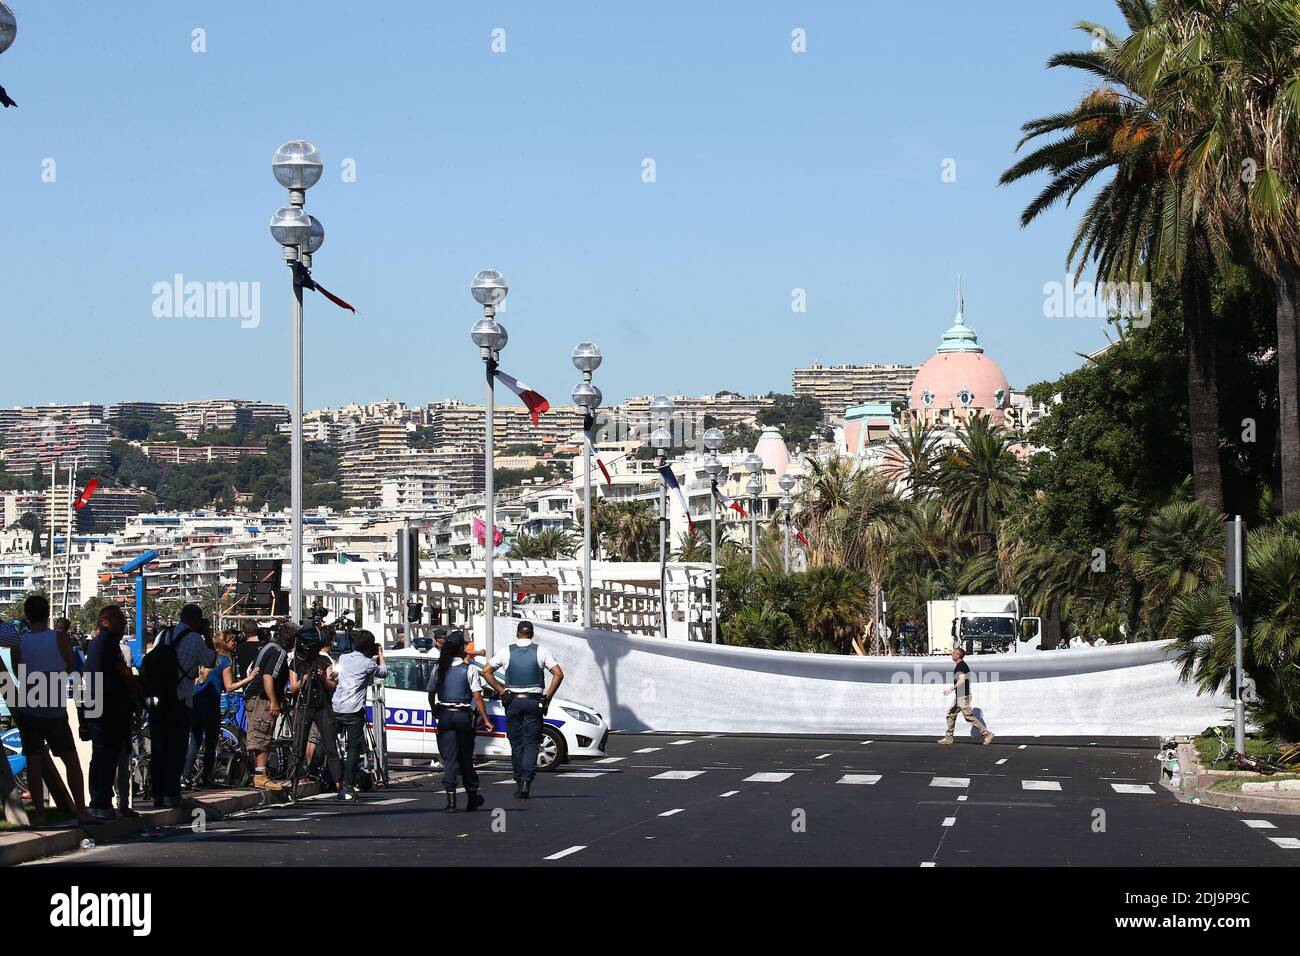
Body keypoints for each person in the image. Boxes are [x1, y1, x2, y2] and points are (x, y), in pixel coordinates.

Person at [10, 594, 93, 825]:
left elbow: (19, 673)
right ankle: (81, 810)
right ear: (48, 614)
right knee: (71, 760)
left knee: (34, 762)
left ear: (26, 616)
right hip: (54, 708)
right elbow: (69, 665)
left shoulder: (19, 642)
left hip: (29, 708)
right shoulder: (60, 638)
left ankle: (39, 813)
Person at [481, 620, 563, 799]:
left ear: (517, 634)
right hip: (534, 701)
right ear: (532, 634)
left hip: (513, 701)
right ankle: (527, 780)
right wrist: (547, 696)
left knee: (516, 743)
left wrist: (501, 691)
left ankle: (519, 780)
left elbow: (486, 671)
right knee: (532, 743)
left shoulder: (505, 651)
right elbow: (558, 673)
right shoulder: (541, 651)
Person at [146, 604, 216, 808]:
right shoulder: (195, 639)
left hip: (158, 699)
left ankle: (157, 792)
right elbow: (211, 661)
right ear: (196, 620)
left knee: (159, 748)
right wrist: (207, 635)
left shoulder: (163, 634)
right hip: (181, 700)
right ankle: (171, 793)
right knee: (176, 748)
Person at [84, 604, 141, 819]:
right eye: (120, 619)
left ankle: (101, 801)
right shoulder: (107, 642)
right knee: (106, 756)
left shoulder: (101, 643)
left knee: (102, 755)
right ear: (106, 621)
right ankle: (102, 803)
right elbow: (122, 673)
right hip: (108, 708)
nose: (124, 623)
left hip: (102, 706)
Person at [427, 630, 490, 812]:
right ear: (461, 648)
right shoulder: (469, 669)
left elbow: (431, 693)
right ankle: (471, 796)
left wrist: (434, 708)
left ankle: (451, 801)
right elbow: (478, 697)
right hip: (463, 716)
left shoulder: (439, 668)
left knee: (449, 758)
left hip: (445, 715)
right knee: (465, 758)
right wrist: (485, 719)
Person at [329, 629, 385, 802]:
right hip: (354, 710)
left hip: (337, 706)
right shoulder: (367, 663)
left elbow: (336, 674)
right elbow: (383, 672)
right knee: (354, 749)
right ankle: (347, 783)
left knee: (331, 743)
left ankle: (331, 775)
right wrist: (380, 654)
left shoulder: (344, 658)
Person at [241, 623, 288, 790]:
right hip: (261, 697)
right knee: (262, 734)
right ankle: (260, 776)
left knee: (258, 735)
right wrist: (274, 700)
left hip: (252, 696)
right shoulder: (279, 651)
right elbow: (268, 676)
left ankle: (259, 773)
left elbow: (250, 671)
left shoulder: (266, 647)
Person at [938, 647, 994, 746]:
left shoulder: (961, 666)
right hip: (960, 695)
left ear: (958, 655)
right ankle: (948, 737)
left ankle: (987, 734)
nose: (952, 654)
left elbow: (962, 680)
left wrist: (951, 688)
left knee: (969, 717)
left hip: (963, 696)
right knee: (951, 714)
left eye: (954, 653)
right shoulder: (960, 665)